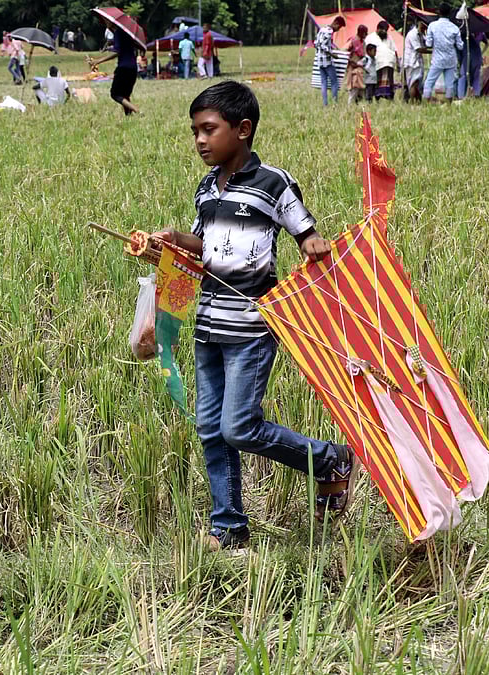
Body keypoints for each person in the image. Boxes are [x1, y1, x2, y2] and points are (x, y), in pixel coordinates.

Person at [150, 81, 355, 551]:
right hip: (208, 326)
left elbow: (305, 232)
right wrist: (174, 242)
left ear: (242, 130)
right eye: (195, 132)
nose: (200, 140)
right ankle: (228, 526)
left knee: (238, 426)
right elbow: (204, 250)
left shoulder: (273, 183)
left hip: (251, 327)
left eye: (209, 129)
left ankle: (328, 459)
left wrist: (313, 245)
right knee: (209, 430)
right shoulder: (206, 189)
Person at [89, 31, 143, 115]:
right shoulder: (129, 33)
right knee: (125, 95)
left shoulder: (118, 32)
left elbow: (116, 52)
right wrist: (112, 44)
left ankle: (137, 110)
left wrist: (98, 61)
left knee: (115, 94)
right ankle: (128, 116)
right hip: (133, 68)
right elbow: (124, 48)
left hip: (123, 68)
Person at [424, 4, 464, 101]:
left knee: (429, 82)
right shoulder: (455, 28)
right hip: (451, 59)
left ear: (438, 12)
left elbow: (428, 44)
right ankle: (449, 104)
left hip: (437, 59)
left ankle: (426, 102)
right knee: (449, 83)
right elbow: (460, 46)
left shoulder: (432, 26)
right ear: (450, 13)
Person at [315, 16, 344, 105]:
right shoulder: (329, 31)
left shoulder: (322, 29)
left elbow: (316, 43)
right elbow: (323, 45)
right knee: (334, 82)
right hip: (327, 61)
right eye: (339, 27)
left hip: (319, 60)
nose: (338, 30)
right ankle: (335, 103)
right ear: (336, 23)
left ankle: (325, 104)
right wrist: (332, 54)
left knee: (323, 82)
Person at [367, 21, 398, 100]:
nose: (385, 32)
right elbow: (367, 50)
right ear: (378, 29)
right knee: (377, 82)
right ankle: (377, 98)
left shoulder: (388, 37)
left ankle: (390, 98)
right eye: (383, 30)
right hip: (377, 64)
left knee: (390, 82)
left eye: (386, 30)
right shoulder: (370, 37)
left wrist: (397, 62)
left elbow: (394, 49)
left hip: (389, 63)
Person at [402, 20, 427, 102]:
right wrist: (433, 51)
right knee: (413, 83)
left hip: (417, 61)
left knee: (417, 84)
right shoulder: (413, 34)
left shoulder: (420, 34)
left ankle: (417, 101)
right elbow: (419, 49)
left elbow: (426, 43)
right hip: (411, 62)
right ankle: (413, 102)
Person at [344, 24, 369, 99]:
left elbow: (364, 55)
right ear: (361, 32)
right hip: (352, 66)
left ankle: (359, 103)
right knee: (353, 86)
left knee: (361, 86)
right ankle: (350, 104)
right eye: (365, 33)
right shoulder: (352, 40)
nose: (366, 34)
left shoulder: (364, 42)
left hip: (360, 67)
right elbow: (344, 51)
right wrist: (350, 60)